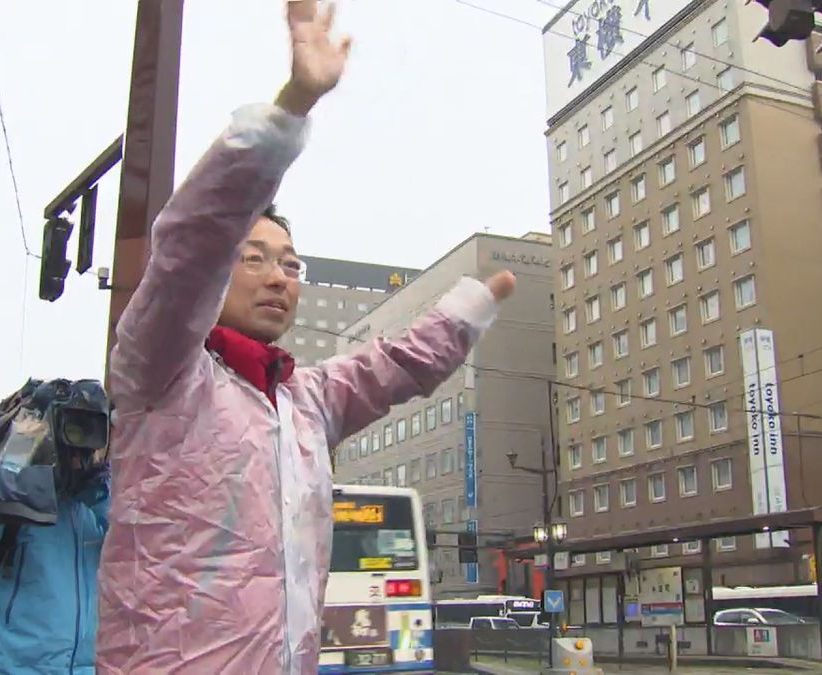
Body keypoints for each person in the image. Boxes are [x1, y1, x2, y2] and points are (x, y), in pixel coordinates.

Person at [96, 1, 516, 672]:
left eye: (290, 263)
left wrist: (466, 311)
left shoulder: (302, 401)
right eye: (254, 256)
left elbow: (391, 367)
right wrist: (291, 108)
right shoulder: (162, 370)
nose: (278, 277)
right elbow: (192, 242)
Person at [0, 452, 109, 674]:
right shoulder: (13, 479)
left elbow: (141, 549)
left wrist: (99, 493)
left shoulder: (98, 499)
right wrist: (17, 469)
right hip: (5, 668)